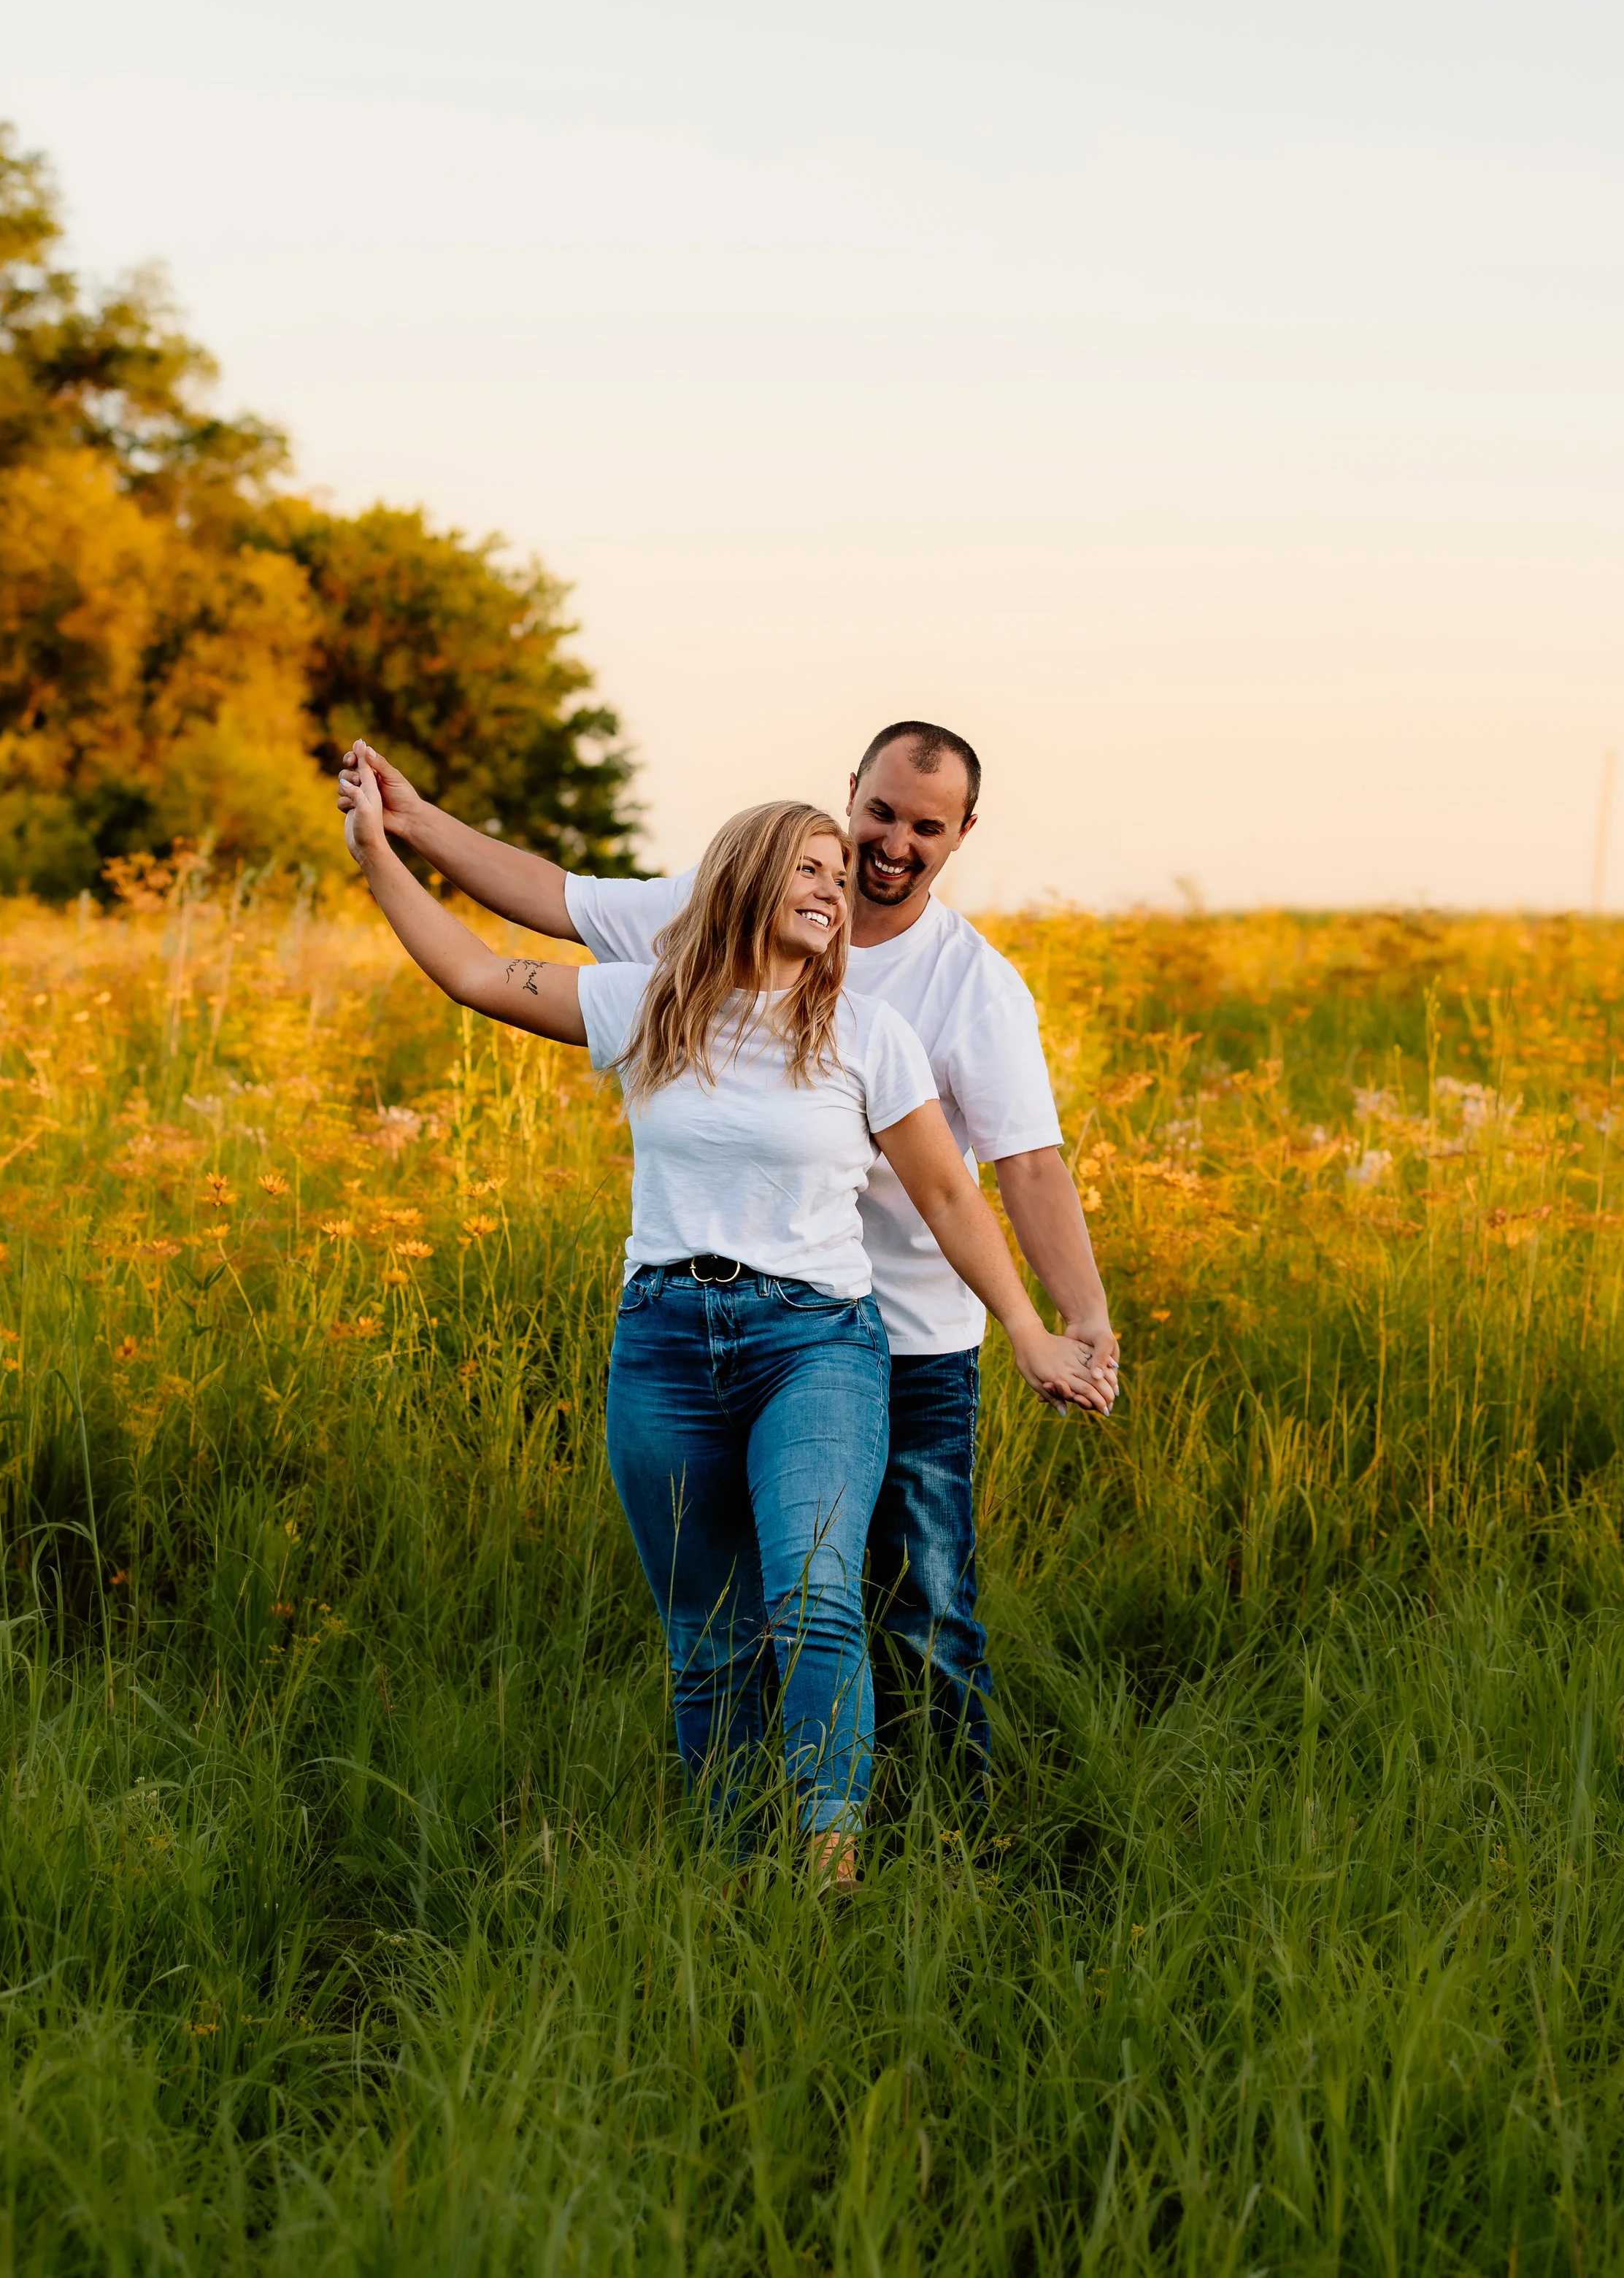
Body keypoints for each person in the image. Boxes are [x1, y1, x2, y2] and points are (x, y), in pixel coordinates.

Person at [338, 766, 1114, 1882]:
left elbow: (953, 1193)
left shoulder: (867, 1031)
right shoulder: (652, 1000)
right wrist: (382, 849)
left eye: (839, 877)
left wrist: (1038, 1330)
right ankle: (731, 1858)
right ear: (747, 876)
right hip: (661, 1338)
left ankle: (830, 1847)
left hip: (815, 1342)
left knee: (814, 1596)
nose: (837, 886)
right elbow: (474, 968)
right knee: (706, 1638)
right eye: (813, 864)